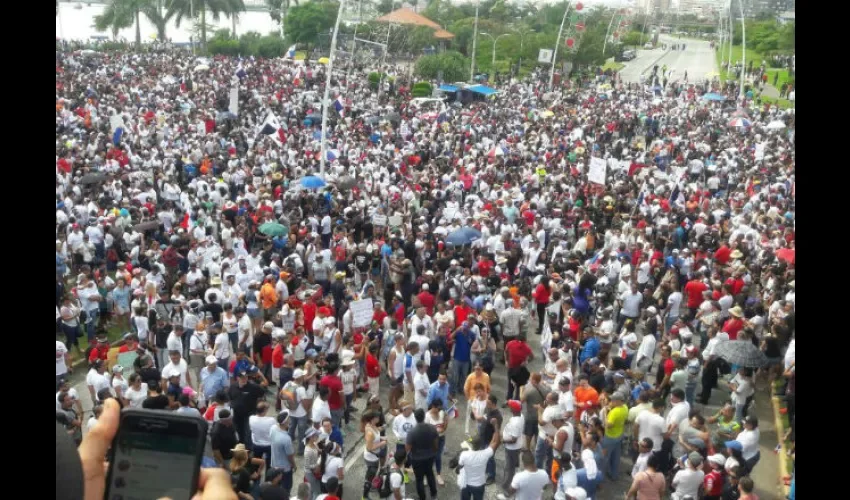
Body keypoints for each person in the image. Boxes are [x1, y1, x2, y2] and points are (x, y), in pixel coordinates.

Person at [457, 415, 501, 500]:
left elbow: (459, 467)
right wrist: (496, 426)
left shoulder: (464, 454)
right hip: (479, 485)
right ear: (480, 445)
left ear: (471, 444)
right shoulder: (485, 454)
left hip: (465, 484)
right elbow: (495, 442)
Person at [406, 408, 440, 500]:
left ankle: (422, 497)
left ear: (415, 418)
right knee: (430, 475)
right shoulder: (432, 428)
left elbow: (407, 448)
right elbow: (436, 444)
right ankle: (434, 494)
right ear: (424, 416)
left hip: (416, 459)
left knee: (419, 479)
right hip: (430, 456)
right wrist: (434, 452)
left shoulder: (412, 432)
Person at [269, 411, 295, 498]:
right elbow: (290, 456)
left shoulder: (273, 428)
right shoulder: (286, 439)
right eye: (289, 420)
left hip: (274, 463)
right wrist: (294, 465)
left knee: (276, 484)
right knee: (287, 486)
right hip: (285, 468)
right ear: (286, 422)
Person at [502, 399, 525, 491]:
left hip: (512, 448)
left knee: (509, 468)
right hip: (517, 446)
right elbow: (512, 403)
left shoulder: (516, 422)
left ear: (514, 410)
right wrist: (507, 403)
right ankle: (516, 468)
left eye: (510, 407)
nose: (509, 408)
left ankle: (507, 485)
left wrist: (502, 440)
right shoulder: (520, 415)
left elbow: (513, 440)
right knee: (513, 464)